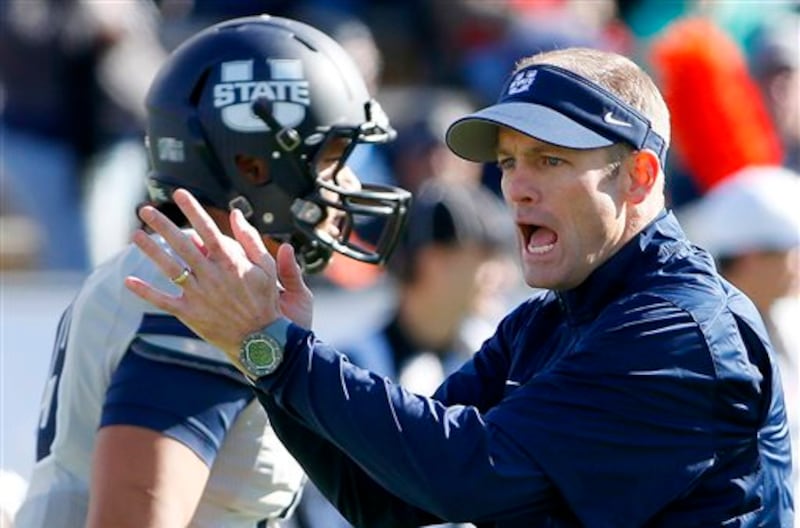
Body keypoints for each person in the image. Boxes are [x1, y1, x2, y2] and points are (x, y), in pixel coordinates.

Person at [125, 47, 794, 526]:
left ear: (640, 177)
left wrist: (273, 348)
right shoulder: (543, 322)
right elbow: (391, 499)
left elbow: (467, 474)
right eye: (508, 162)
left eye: (550, 160)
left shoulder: (677, 330)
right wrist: (270, 354)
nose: (516, 186)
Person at [15, 14, 410, 528]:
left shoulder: (181, 270)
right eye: (332, 157)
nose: (348, 181)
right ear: (252, 165)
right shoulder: (207, 286)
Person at [678, 164, 800, 524]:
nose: (797, 264)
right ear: (749, 256)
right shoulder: (697, 338)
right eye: (788, 251)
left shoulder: (789, 319)